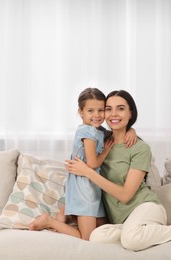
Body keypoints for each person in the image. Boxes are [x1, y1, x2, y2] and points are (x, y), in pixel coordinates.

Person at [65, 90, 171, 251]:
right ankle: (136, 232)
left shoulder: (140, 148)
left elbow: (125, 195)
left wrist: (88, 172)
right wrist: (130, 130)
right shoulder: (102, 139)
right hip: (122, 220)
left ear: (130, 113)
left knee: (131, 241)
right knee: (96, 236)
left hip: (145, 208)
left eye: (121, 108)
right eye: (108, 109)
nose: (113, 114)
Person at [29, 88, 137, 240]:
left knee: (104, 224)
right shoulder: (88, 132)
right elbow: (92, 164)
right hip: (84, 186)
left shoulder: (98, 130)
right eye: (90, 111)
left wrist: (131, 130)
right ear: (80, 112)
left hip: (90, 183)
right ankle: (49, 220)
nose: (97, 115)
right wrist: (105, 152)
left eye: (101, 110)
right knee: (88, 237)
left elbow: (116, 132)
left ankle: (68, 213)